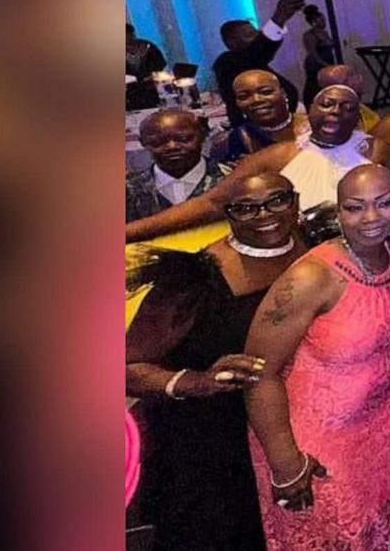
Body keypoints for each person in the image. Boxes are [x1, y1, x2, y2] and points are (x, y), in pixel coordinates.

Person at [243, 164, 390, 549]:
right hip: (318, 440)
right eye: (355, 207)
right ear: (338, 210)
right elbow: (257, 374)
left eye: (383, 204)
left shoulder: (385, 251)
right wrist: (285, 464)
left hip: (388, 423)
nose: (370, 218)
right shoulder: (310, 278)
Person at [126, 173, 304, 550]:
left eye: (277, 201)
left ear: (296, 202)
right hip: (211, 447)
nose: (264, 215)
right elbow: (124, 368)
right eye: (246, 208)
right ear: (228, 215)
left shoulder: (315, 249)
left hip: (293, 431)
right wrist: (192, 381)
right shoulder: (194, 278)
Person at [126, 85, 379, 243]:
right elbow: (213, 201)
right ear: (309, 109)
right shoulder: (277, 155)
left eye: (347, 107)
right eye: (326, 104)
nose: (334, 112)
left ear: (358, 116)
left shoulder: (378, 150)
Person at [213, 0, 305, 127]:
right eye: (250, 35)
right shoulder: (227, 63)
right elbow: (260, 50)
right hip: (256, 131)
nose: (257, 37)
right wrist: (279, 17)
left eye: (257, 32)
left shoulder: (252, 61)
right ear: (231, 43)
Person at [127, 109, 221, 221]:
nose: (172, 147)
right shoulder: (127, 191)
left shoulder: (232, 179)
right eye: (158, 141)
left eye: (184, 139)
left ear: (202, 135)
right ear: (143, 143)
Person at [212, 69, 300, 165]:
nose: (256, 100)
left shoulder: (310, 126)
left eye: (266, 92)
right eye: (244, 97)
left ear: (283, 93)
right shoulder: (237, 141)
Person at [316, 63, 381, 134]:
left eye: (354, 74)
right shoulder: (329, 123)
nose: (358, 79)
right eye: (347, 79)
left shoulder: (366, 112)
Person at [300, 4, 339, 106]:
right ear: (313, 22)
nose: (323, 22)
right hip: (316, 65)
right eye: (321, 20)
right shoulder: (310, 35)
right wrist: (325, 65)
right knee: (314, 87)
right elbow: (313, 53)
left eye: (324, 19)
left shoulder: (324, 33)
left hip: (327, 61)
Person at [126, 23, 168, 110]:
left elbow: (160, 64)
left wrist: (151, 76)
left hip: (151, 89)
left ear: (132, 34)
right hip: (130, 94)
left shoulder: (148, 47)